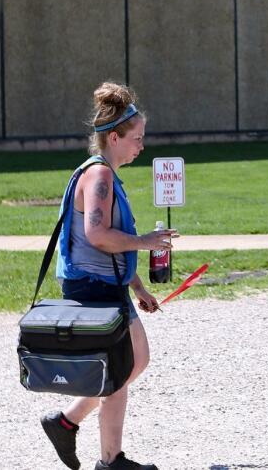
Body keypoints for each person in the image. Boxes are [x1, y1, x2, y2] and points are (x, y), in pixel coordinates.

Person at [40, 82, 178, 470]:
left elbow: (108, 244)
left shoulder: (104, 173)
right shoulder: (99, 176)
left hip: (105, 283)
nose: (141, 145)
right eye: (137, 138)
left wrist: (137, 285)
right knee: (121, 367)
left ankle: (67, 424)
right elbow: (97, 236)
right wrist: (145, 241)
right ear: (114, 137)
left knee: (130, 364)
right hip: (93, 287)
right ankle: (107, 457)